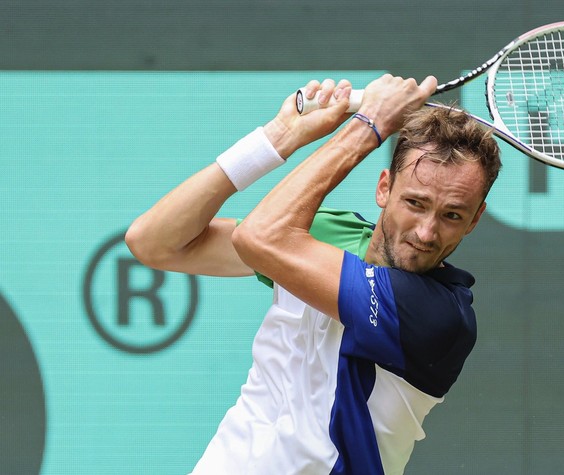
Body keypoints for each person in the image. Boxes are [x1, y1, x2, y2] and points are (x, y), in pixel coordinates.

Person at [125, 74, 502, 474]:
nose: (426, 232)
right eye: (415, 202)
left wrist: (369, 126)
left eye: (452, 215)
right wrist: (277, 138)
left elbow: (260, 236)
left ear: (475, 219)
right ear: (383, 188)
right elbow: (153, 242)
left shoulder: (439, 315)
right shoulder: (316, 236)